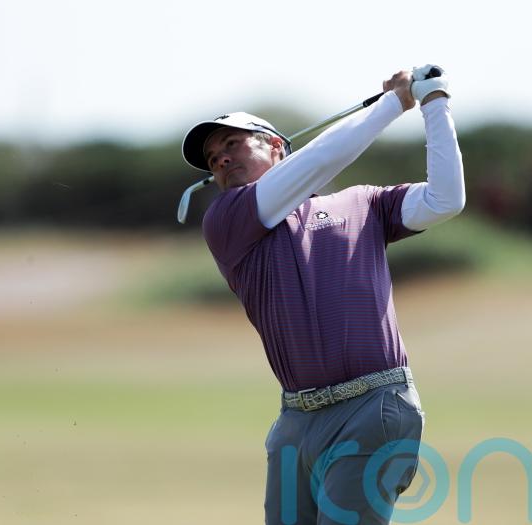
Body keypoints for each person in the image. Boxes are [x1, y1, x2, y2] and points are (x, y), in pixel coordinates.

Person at [181, 65, 465, 525]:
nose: (222, 162)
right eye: (213, 160)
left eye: (232, 145)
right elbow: (315, 163)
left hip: (372, 408)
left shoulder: (362, 204)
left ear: (276, 146)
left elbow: (444, 200)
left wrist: (435, 104)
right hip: (295, 423)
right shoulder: (227, 221)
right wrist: (395, 103)